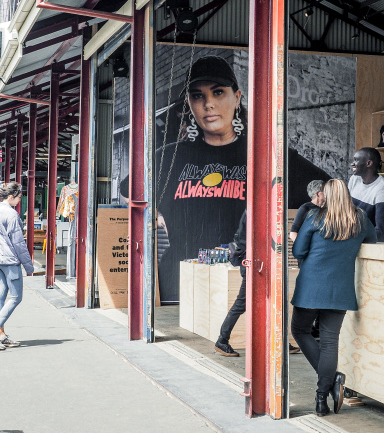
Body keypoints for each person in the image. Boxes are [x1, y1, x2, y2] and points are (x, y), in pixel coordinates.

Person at [122, 55, 329, 302]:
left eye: (218, 92)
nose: (208, 104)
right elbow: (128, 191)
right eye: (198, 96)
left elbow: (329, 191)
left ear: (237, 97)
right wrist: (153, 215)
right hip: (178, 286)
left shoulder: (266, 155)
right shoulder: (170, 156)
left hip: (243, 282)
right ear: (189, 103)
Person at [291, 179, 376, 417]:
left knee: (300, 331)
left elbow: (298, 250)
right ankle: (321, 398)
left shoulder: (316, 217)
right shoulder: (359, 218)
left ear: (326, 196)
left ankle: (332, 381)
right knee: (329, 342)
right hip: (340, 290)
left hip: (310, 287)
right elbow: (374, 242)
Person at [214, 210, 300, 357]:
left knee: (272, 303)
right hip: (254, 267)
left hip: (258, 266)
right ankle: (222, 341)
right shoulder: (255, 210)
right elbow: (254, 240)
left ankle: (280, 341)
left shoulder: (254, 211)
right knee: (241, 305)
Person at [0, 182, 34, 350]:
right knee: (16, 297)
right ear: (12, 196)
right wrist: (29, 266)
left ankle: (1, 335)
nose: (20, 201)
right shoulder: (11, 214)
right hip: (11, 260)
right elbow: (19, 243)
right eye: (19, 198)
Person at [348, 147, 384, 241]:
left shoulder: (383, 190)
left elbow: (381, 232)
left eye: (356, 160)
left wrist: (353, 238)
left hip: (366, 243)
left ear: (368, 163)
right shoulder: (354, 179)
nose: (352, 164)